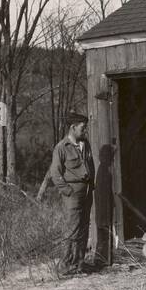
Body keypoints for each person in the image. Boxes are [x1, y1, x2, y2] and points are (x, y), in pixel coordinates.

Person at [48, 111, 95, 274]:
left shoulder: (85, 144)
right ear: (73, 127)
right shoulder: (61, 147)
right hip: (72, 194)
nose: (85, 131)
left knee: (84, 227)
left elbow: (90, 165)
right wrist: (68, 191)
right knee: (72, 229)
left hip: (87, 192)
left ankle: (79, 263)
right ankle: (64, 265)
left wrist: (92, 185)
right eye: (82, 128)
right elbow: (55, 173)